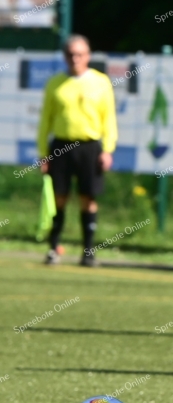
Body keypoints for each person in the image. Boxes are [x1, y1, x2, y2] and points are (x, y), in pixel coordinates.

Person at [38, 34, 117, 267]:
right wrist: (44, 154)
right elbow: (45, 122)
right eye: (71, 54)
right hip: (61, 147)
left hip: (90, 147)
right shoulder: (55, 83)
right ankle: (54, 248)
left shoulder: (101, 82)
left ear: (88, 56)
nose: (75, 58)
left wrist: (108, 150)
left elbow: (109, 120)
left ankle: (88, 252)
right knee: (58, 199)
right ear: (64, 56)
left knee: (88, 198)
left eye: (80, 54)